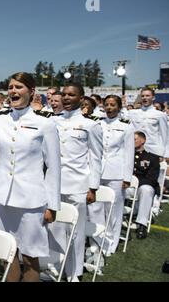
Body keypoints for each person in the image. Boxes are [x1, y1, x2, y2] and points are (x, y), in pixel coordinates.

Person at [0, 72, 61, 282]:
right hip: (3, 198)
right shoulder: (0, 121)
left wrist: (53, 205)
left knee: (30, 257)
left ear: (31, 92)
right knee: (7, 255)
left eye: (19, 87)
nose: (13, 90)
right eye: (11, 87)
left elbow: (54, 167)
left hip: (31, 200)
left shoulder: (45, 124)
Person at [48, 83, 103, 281]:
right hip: (53, 184)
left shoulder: (91, 125)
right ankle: (55, 267)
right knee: (54, 228)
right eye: (64, 94)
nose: (67, 98)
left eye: (72, 95)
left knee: (76, 232)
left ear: (81, 99)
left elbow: (96, 157)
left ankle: (75, 272)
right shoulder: (53, 122)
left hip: (78, 185)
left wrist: (93, 187)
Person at [90, 95, 134, 255]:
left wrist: (127, 177)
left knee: (113, 209)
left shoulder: (126, 127)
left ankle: (110, 244)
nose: (109, 107)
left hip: (116, 172)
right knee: (95, 207)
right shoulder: (97, 124)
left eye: (113, 105)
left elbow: (129, 153)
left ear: (119, 107)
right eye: (107, 104)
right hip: (97, 171)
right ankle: (96, 241)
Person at [131, 131, 160, 239]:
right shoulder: (127, 155)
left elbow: (152, 179)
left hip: (142, 187)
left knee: (146, 190)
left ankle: (142, 224)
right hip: (129, 187)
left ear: (143, 140)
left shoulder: (152, 158)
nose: (132, 142)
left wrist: (135, 182)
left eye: (134, 139)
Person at [127, 88, 168, 159]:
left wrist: (166, 154)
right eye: (142, 96)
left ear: (153, 97)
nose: (145, 98)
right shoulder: (133, 113)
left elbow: (165, 136)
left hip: (154, 150)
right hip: (136, 150)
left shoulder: (160, 115)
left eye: (147, 96)